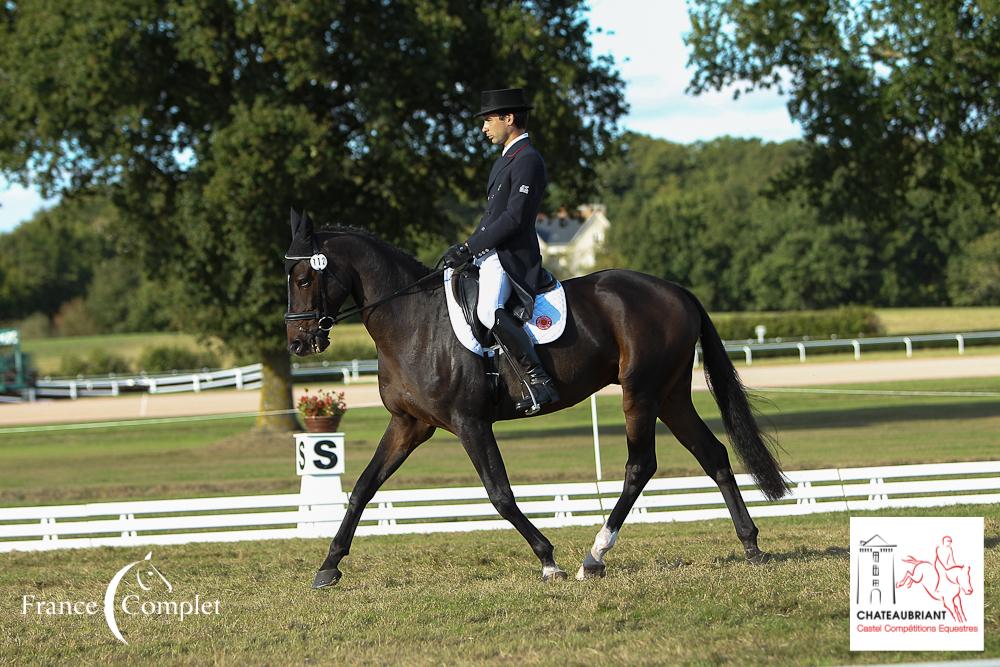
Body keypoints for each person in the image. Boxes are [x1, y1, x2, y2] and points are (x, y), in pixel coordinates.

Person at [443, 88, 559, 415]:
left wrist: (470, 247)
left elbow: (514, 218)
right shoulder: (503, 162)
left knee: (486, 310)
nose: (484, 128)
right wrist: (466, 250)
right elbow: (491, 218)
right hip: (490, 253)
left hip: (511, 257)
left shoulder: (528, 160)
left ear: (509, 118)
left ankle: (538, 381)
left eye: (488, 120)